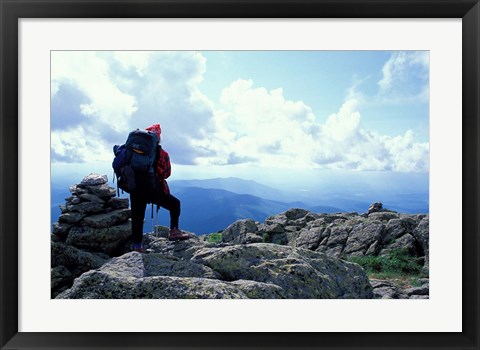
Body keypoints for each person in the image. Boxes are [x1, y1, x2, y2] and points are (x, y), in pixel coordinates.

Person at [130, 123, 189, 253]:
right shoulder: (162, 154)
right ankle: (174, 231)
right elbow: (167, 173)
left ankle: (137, 246)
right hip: (153, 189)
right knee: (175, 204)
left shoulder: (132, 151)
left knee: (137, 216)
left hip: (134, 188)